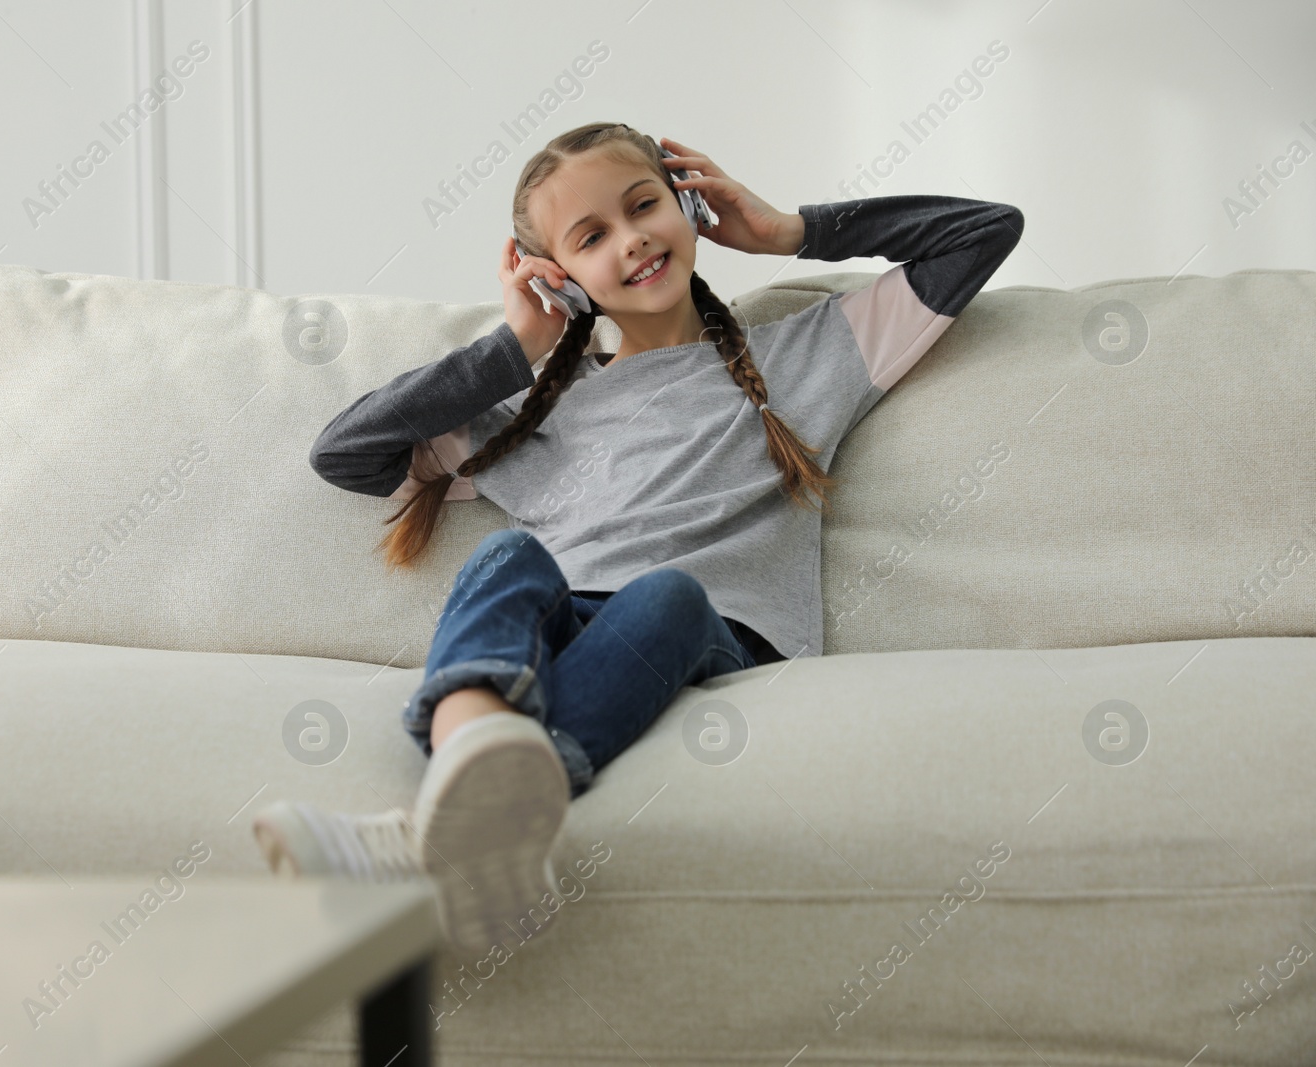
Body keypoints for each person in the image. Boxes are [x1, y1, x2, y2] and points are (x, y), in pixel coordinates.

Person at [254, 121, 1024, 954]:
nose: (632, 240)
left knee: (669, 592)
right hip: (566, 628)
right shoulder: (542, 414)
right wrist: (514, 349)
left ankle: (436, 835)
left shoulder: (812, 356)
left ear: (688, 203)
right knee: (506, 557)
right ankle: (461, 800)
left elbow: (984, 232)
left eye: (644, 205)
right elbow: (345, 453)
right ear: (563, 280)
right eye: (592, 236)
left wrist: (785, 232)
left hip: (714, 634)